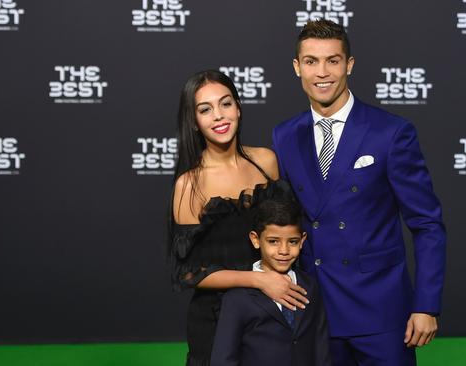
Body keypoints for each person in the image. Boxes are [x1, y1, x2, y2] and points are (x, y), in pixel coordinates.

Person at [271, 20, 447, 365]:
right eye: (311, 62)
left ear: (349, 65)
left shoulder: (391, 133)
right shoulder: (284, 135)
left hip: (381, 311)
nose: (322, 73)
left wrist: (426, 304)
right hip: (314, 309)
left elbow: (427, 224)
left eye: (333, 61)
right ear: (297, 67)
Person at [169, 70, 309, 366]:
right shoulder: (188, 185)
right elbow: (187, 272)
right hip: (217, 320)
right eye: (205, 110)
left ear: (239, 108)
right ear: (194, 122)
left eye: (226, 104)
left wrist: (274, 282)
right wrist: (260, 280)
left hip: (271, 311)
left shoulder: (266, 161)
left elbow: (285, 231)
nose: (219, 116)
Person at [210, 198, 331, 366]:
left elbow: (321, 346)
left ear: (302, 241)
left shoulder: (310, 286)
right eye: (273, 241)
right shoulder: (237, 296)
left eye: (293, 242)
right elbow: (223, 358)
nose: (284, 251)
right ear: (256, 239)